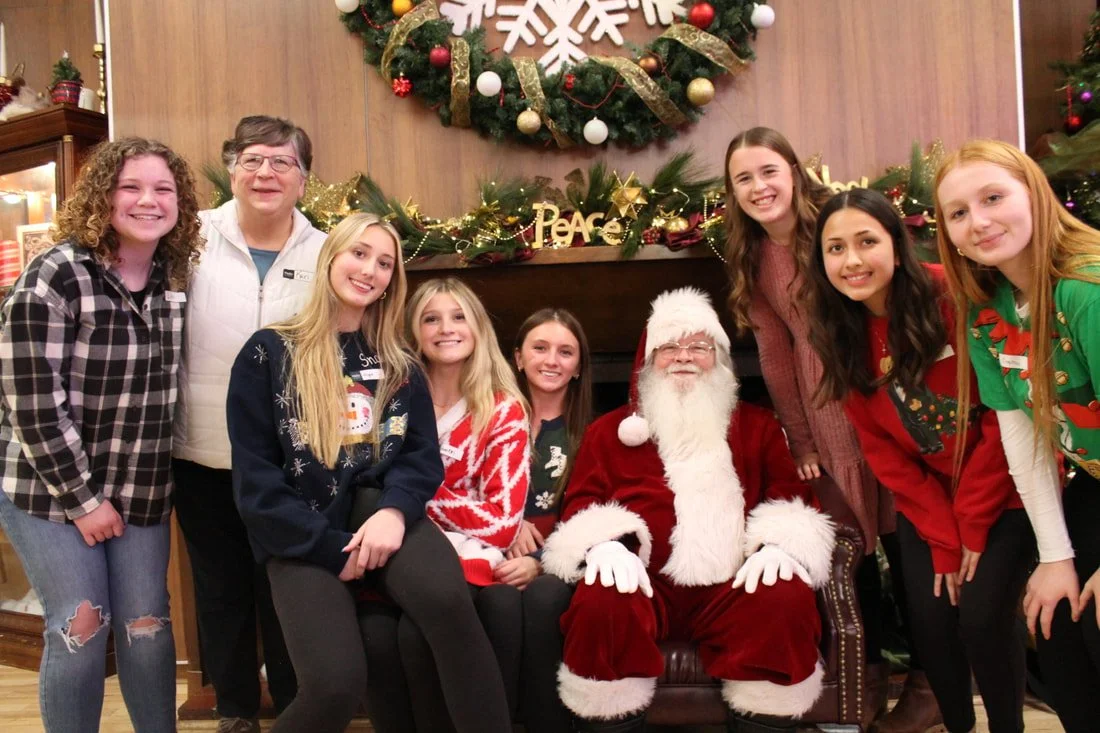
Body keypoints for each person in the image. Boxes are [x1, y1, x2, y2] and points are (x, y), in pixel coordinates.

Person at [227, 214, 512, 733]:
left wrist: (395, 514)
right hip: (301, 536)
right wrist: (328, 549)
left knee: (451, 608)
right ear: (330, 256)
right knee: (334, 686)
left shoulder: (399, 363)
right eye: (359, 254)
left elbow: (420, 457)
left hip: (384, 517)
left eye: (384, 263)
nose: (370, 270)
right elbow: (257, 484)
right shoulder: (267, 353)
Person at [542, 287, 835, 733]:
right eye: (669, 347)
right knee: (601, 602)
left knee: (784, 598)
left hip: (734, 587)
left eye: (699, 346)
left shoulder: (757, 427)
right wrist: (605, 545)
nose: (683, 357)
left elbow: (788, 494)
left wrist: (781, 545)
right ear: (648, 361)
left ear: (719, 358)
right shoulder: (608, 432)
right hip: (645, 586)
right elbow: (583, 502)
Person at [723, 127, 930, 731]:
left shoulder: (836, 226)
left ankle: (930, 684)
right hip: (826, 414)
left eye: (768, 171)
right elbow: (775, 353)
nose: (759, 187)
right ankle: (861, 681)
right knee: (849, 560)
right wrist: (801, 437)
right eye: (743, 179)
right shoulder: (752, 256)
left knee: (911, 550)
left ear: (794, 171)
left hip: (880, 388)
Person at [805, 188, 1034, 733]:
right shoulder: (839, 328)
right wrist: (944, 536)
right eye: (835, 248)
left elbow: (1004, 418)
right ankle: (957, 725)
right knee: (930, 622)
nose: (852, 260)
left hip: (1004, 483)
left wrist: (970, 524)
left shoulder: (952, 296)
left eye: (866, 241)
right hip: (928, 497)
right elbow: (880, 448)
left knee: (980, 616)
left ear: (895, 242)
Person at [0, 137, 203, 733]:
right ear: (102, 197)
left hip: (140, 486)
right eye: (130, 187)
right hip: (48, 487)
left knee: (147, 625)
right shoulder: (56, 274)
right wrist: (83, 500)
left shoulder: (176, 276)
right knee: (81, 626)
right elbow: (32, 403)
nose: (148, 200)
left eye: (163, 189)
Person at [934, 139, 1100, 733]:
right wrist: (1055, 558)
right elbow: (1026, 446)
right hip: (1092, 480)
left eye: (993, 198)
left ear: (1033, 194)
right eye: (958, 212)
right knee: (1057, 626)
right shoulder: (985, 311)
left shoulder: (1085, 290)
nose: (978, 222)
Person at [172, 115, 325, 732]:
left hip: (291, 461)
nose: (266, 173)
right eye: (253, 159)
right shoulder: (189, 238)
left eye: (283, 161)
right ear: (232, 170)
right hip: (202, 452)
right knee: (221, 590)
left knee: (286, 589)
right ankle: (235, 710)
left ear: (303, 180)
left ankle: (296, 710)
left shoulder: (325, 251)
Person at [362, 277, 530, 732]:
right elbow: (365, 483)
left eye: (458, 317)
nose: (446, 329)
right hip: (393, 554)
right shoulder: (391, 401)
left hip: (465, 562)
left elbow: (501, 522)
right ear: (414, 332)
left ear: (478, 328)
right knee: (375, 637)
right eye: (431, 319)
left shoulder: (503, 411)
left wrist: (409, 494)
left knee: (416, 635)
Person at [508, 308, 593, 733]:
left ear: (578, 367)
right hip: (493, 549)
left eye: (565, 352)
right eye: (539, 348)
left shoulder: (592, 433)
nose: (551, 361)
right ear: (519, 358)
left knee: (544, 598)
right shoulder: (492, 421)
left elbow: (591, 518)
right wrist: (507, 526)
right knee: (497, 604)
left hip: (563, 559)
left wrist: (540, 560)